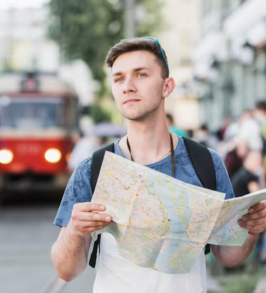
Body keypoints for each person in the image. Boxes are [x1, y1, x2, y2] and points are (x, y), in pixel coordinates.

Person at [51, 37, 266, 293]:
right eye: (119, 78)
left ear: (167, 86)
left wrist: (251, 229)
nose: (128, 86)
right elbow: (66, 270)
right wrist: (74, 230)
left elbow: (227, 255)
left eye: (141, 74)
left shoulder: (206, 163)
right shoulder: (94, 168)